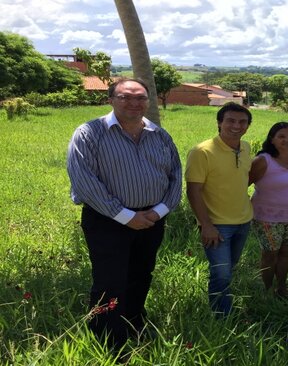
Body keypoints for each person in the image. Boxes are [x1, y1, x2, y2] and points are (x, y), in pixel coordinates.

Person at [66, 78, 182, 350]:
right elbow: (84, 181)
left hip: (152, 220)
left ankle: (134, 324)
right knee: (110, 281)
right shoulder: (89, 133)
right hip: (108, 222)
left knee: (141, 275)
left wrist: (159, 211)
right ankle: (108, 340)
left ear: (148, 101)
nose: (133, 103)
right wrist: (126, 216)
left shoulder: (160, 135)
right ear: (111, 99)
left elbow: (175, 175)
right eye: (125, 97)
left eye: (140, 97)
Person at [185, 102, 253, 316]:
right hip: (217, 225)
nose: (236, 126)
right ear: (219, 123)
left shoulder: (246, 148)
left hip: (243, 220)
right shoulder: (202, 151)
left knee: (229, 269)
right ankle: (222, 317)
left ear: (248, 126)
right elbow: (193, 191)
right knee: (221, 274)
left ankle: (223, 306)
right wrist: (206, 225)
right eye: (230, 120)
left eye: (242, 122)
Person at [249, 122, 288, 297]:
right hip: (268, 218)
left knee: (285, 254)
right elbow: (242, 184)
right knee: (270, 255)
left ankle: (282, 288)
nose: (287, 140)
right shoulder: (263, 160)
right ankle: (267, 291)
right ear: (272, 140)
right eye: (281, 136)